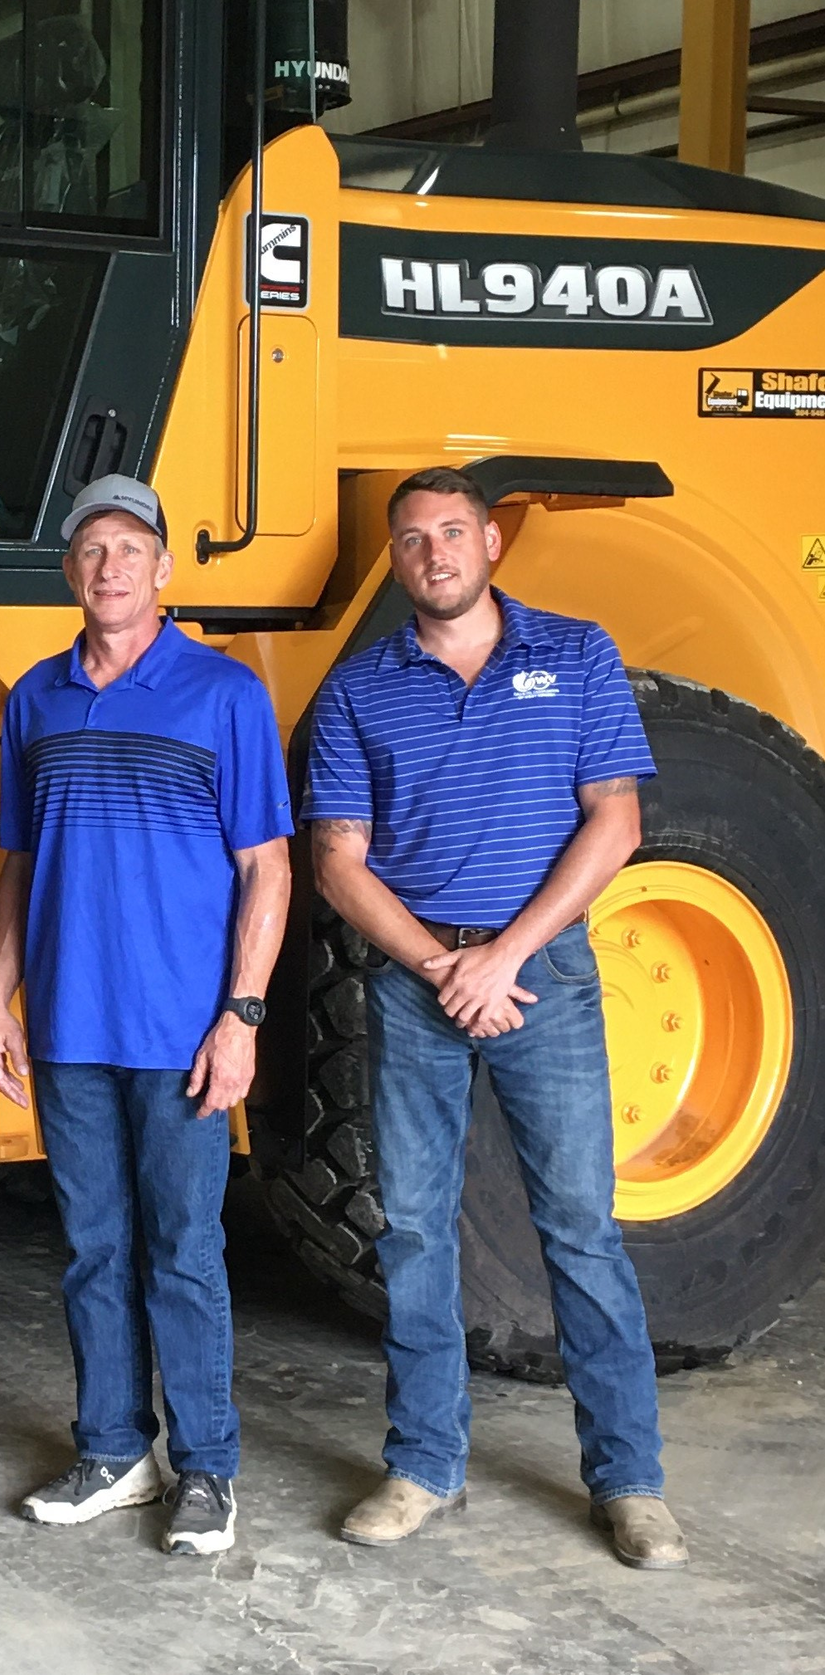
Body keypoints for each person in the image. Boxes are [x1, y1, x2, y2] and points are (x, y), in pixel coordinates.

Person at [303, 464, 687, 1570]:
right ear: (399, 556)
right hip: (414, 983)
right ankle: (424, 1463)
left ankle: (631, 1481)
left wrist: (504, 956)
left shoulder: (575, 655)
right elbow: (336, 861)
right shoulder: (359, 689)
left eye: (452, 531)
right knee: (415, 1229)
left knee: (579, 1225)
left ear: (492, 542)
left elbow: (614, 821)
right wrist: (436, 963)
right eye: (413, 538)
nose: (434, 552)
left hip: (543, 980)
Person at [0, 474, 292, 1558]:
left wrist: (241, 1016)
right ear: (71, 570)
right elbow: (19, 861)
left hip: (182, 1035)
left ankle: (206, 1469)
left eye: (129, 548)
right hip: (69, 1028)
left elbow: (267, 868)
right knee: (94, 1249)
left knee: (184, 1251)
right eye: (91, 549)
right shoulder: (37, 697)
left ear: (164, 568)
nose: (110, 566)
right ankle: (116, 1450)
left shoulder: (224, 694)